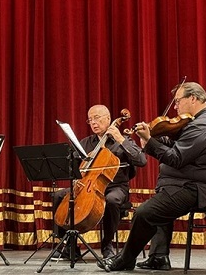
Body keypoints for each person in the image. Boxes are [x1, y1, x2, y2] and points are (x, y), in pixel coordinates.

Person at [98, 81, 206, 271]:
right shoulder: (198, 120)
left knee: (144, 213)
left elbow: (176, 158)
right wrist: (150, 137)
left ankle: (125, 259)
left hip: (201, 189)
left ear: (193, 98)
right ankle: (158, 257)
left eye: (178, 101)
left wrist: (150, 141)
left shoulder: (203, 126)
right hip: (191, 184)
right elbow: (177, 143)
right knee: (163, 194)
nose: (175, 106)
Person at [52, 104, 147, 259]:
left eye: (97, 118)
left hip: (115, 187)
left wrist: (120, 138)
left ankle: (107, 244)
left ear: (108, 119)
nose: (93, 122)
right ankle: (70, 245)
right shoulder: (86, 143)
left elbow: (141, 160)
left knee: (111, 200)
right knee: (58, 196)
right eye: (90, 120)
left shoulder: (122, 140)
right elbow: (74, 167)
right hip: (87, 185)